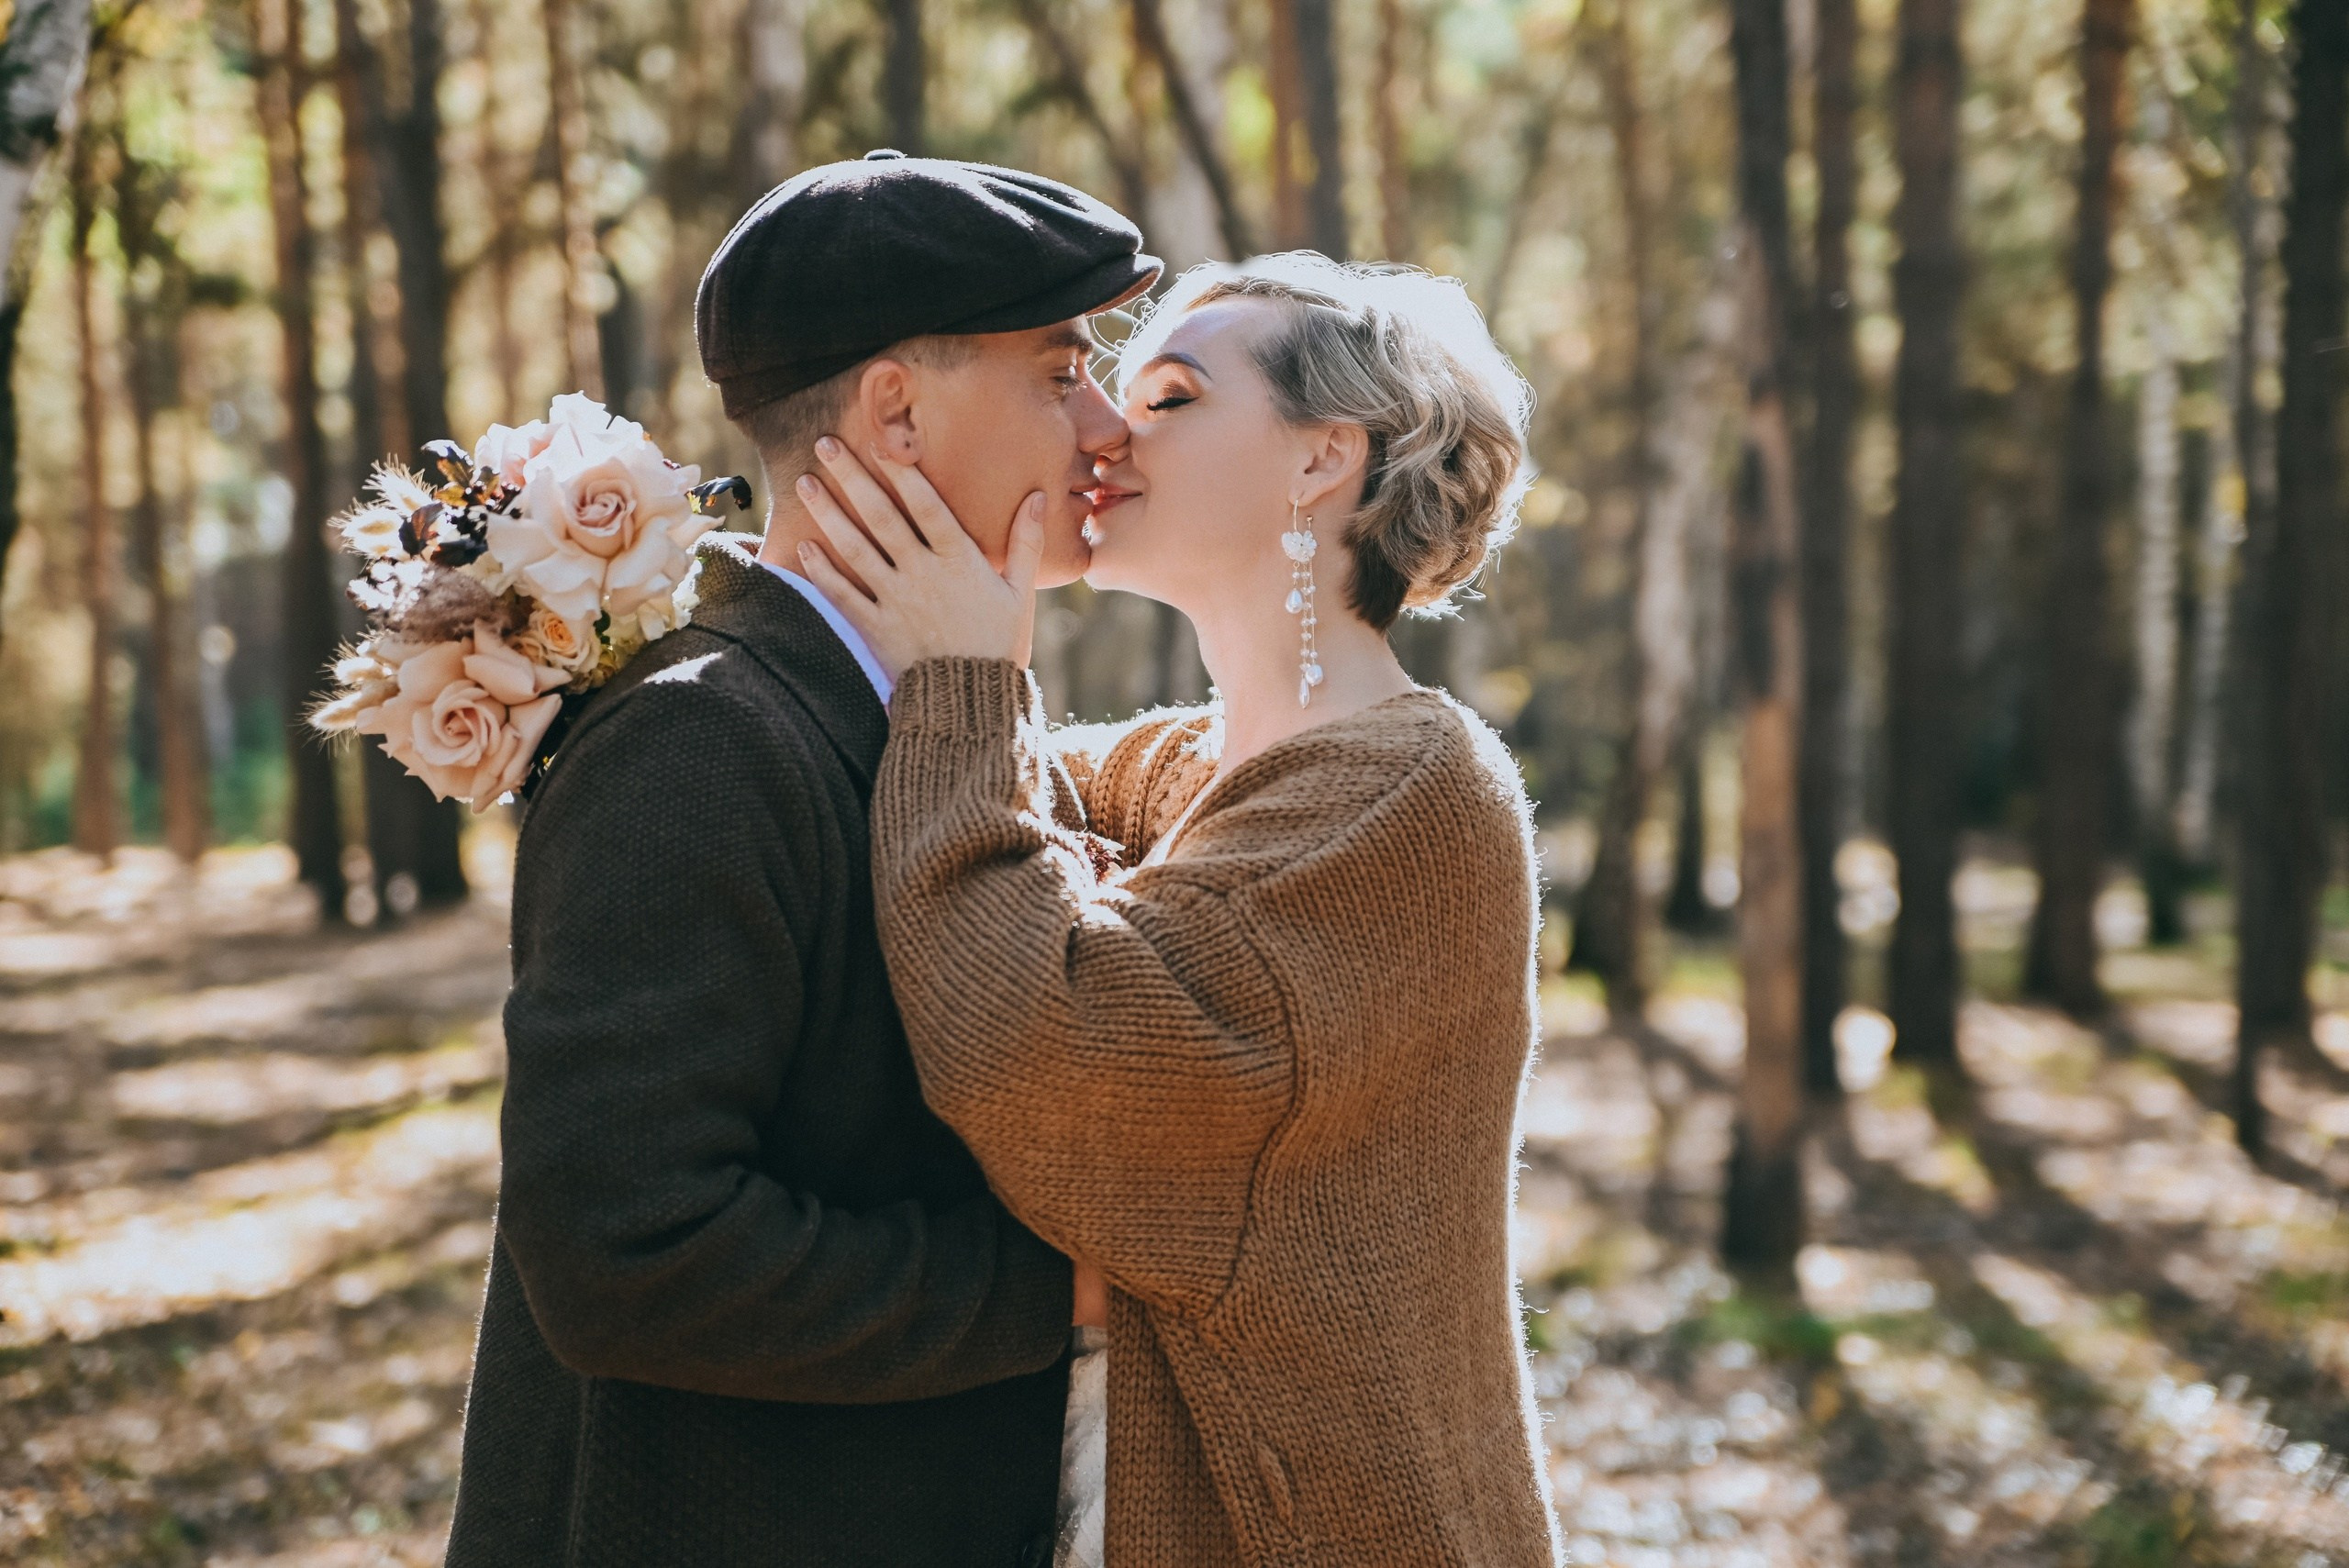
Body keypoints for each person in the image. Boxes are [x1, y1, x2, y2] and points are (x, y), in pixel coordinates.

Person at [795, 252, 1565, 1566]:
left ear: (1323, 459)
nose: (1105, 428)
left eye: (1168, 396)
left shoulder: (1419, 801)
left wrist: (968, 675)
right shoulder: (1186, 768)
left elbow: (1043, 1043)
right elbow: (969, 808)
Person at [442, 151, 1155, 1568]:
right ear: (895, 407)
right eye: (1061, 368)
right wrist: (1050, 1293)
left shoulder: (928, 718)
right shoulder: (698, 742)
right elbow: (625, 1250)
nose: (1110, 421)